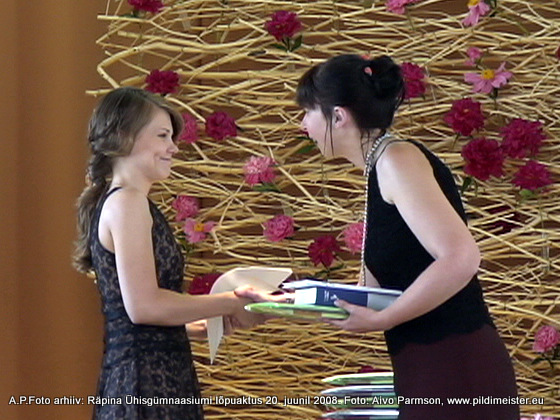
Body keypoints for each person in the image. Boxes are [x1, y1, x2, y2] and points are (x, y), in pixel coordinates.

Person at [241, 54, 519, 419]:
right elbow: (374, 293)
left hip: (455, 365)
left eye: (307, 111)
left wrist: (382, 320)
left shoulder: (396, 159)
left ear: (338, 116)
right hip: (428, 365)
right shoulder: (381, 166)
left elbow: (460, 258)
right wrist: (283, 301)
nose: (303, 124)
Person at [73, 87, 263, 420]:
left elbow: (132, 317)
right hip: (145, 387)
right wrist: (231, 302)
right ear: (123, 136)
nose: (174, 147)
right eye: (163, 136)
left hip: (152, 381)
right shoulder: (127, 202)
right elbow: (144, 307)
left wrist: (194, 325)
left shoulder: (128, 202)